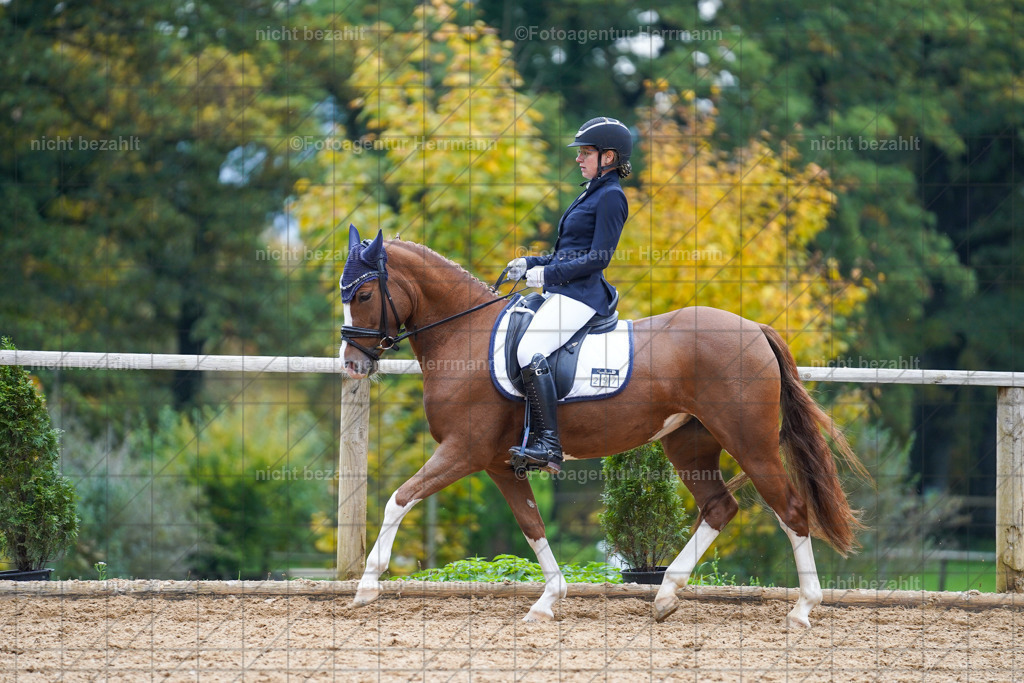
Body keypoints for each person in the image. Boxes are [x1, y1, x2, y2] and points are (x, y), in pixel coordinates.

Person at [505, 116, 632, 474]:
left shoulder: (611, 196)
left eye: (586, 152)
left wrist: (547, 274)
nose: (579, 158)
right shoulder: (590, 191)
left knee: (531, 349)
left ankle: (548, 444)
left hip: (582, 295)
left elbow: (598, 258)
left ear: (608, 157)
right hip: (563, 290)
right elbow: (568, 251)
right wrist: (530, 261)